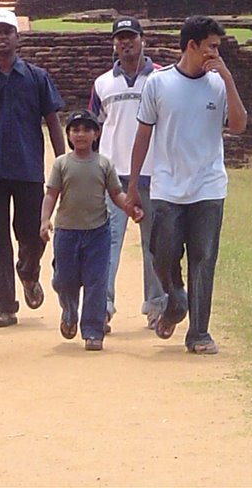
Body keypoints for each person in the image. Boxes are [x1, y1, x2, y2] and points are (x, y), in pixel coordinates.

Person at [126, 15, 247, 355]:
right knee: (161, 255)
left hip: (208, 187)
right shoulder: (158, 83)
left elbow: (238, 125)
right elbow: (143, 135)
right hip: (167, 187)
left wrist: (228, 78)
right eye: (212, 46)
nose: (216, 53)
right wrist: (134, 186)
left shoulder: (218, 84)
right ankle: (175, 297)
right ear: (192, 46)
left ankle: (199, 333)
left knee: (203, 258)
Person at [0, 8, 65, 328]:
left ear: (17, 37)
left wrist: (64, 164)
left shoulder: (36, 77)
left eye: (8, 31)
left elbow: (53, 121)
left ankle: (29, 271)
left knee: (34, 234)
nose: (2, 37)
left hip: (27, 166)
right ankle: (5, 304)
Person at [89, 17, 166, 332]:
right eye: (120, 38)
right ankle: (103, 307)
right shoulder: (103, 83)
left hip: (155, 173)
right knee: (108, 242)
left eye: (131, 37)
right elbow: (94, 126)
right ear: (114, 44)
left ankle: (157, 307)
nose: (126, 43)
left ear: (142, 39)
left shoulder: (162, 78)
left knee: (156, 245)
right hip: (113, 177)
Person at [40, 110, 141, 351]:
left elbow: (116, 194)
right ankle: (69, 311)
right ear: (69, 135)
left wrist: (131, 208)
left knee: (97, 281)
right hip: (66, 232)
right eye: (75, 130)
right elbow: (51, 194)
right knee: (64, 280)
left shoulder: (104, 164)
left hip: (97, 232)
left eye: (86, 129)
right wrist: (45, 221)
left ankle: (93, 331)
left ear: (96, 134)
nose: (81, 134)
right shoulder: (62, 164)